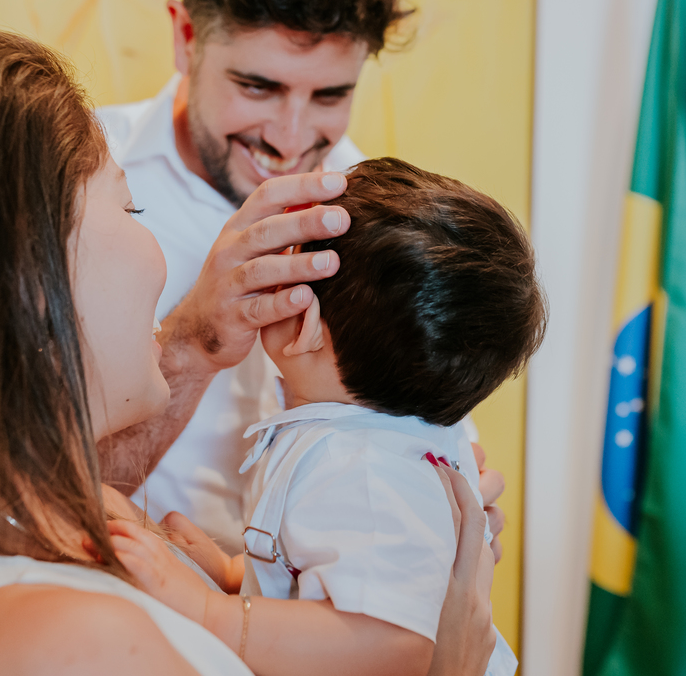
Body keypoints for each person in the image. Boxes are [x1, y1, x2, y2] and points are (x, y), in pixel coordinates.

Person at [0, 30, 497, 676]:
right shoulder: (66, 642)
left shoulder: (34, 540)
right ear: (30, 284)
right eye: (130, 202)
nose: (167, 252)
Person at [95, 0, 508, 562]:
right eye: (258, 86)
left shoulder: (378, 215)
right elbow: (33, 503)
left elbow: (438, 463)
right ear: (186, 35)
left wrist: (461, 508)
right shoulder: (74, 188)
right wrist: (193, 339)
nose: (290, 138)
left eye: (329, 95)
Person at [104, 158, 545, 676]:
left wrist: (214, 613)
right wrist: (232, 573)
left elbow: (392, 642)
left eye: (287, 258)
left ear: (304, 318)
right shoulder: (377, 440)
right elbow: (330, 568)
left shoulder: (358, 468)